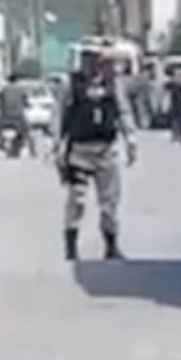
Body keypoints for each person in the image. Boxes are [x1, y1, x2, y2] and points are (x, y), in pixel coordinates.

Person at [57, 56, 137, 260]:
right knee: (77, 199)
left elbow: (123, 111)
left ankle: (111, 245)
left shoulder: (112, 84)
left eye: (98, 60)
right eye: (89, 59)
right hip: (79, 151)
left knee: (109, 201)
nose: (93, 65)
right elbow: (59, 114)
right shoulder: (72, 84)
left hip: (106, 151)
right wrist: (57, 145)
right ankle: (71, 246)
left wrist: (131, 139)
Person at [0, 73, 36, 157]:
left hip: (6, 115)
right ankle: (33, 151)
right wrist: (27, 104)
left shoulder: (4, 89)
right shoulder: (20, 89)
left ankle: (1, 142)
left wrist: (1, 104)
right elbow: (25, 99)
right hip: (18, 116)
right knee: (28, 131)